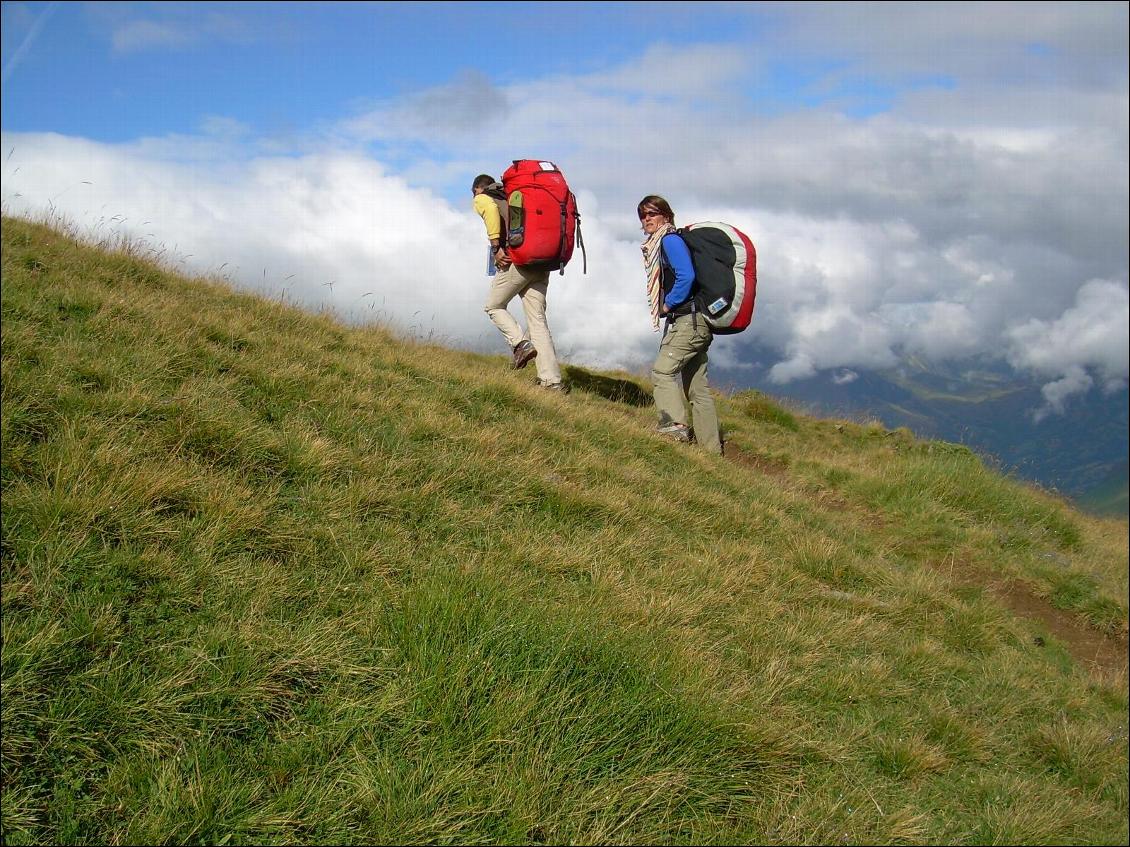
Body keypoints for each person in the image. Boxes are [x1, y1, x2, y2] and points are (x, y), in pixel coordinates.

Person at [638, 195, 722, 454]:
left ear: (666, 215)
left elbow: (686, 275)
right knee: (697, 388)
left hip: (688, 320)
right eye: (643, 215)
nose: (647, 219)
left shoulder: (669, 241)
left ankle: (674, 427)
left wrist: (667, 304)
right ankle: (711, 450)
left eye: (653, 213)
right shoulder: (670, 239)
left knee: (662, 372)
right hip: (699, 322)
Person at [471, 174, 566, 392]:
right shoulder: (516, 196)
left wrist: (496, 248)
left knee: (494, 305)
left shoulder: (483, 197)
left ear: (477, 188)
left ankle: (520, 344)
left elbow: (491, 212)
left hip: (518, 261)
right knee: (537, 320)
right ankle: (552, 382)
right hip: (543, 262)